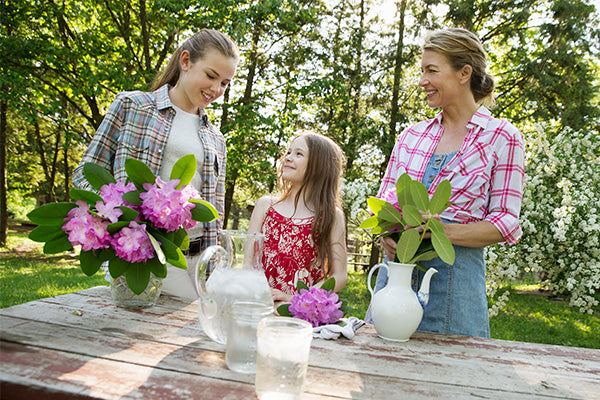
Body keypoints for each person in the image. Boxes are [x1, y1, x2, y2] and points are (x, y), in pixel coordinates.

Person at [366, 28, 525, 338]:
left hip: (456, 288)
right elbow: (384, 202)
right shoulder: (411, 137)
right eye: (422, 70)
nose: (422, 80)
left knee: (455, 379)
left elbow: (505, 221)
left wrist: (440, 231)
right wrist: (387, 233)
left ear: (464, 73)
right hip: (396, 284)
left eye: (432, 71)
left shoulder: (502, 137)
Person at [72, 29, 239, 296]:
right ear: (185, 61)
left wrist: (216, 266)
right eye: (210, 76)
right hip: (143, 256)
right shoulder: (132, 106)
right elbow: (86, 171)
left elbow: (214, 211)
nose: (216, 89)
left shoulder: (215, 138)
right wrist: (119, 215)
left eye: (225, 83)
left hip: (199, 261)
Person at [248, 132, 348, 306]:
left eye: (298, 154)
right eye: (288, 152)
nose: (288, 158)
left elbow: (339, 276)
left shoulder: (331, 216)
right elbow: (249, 263)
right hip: (258, 305)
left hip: (300, 314)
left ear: (319, 165)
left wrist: (298, 300)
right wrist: (260, 295)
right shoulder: (265, 206)